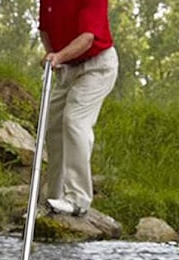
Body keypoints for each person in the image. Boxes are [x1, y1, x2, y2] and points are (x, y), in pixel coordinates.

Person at [39, 0, 118, 216]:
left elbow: (87, 38)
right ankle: (52, 200)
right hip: (67, 68)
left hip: (97, 66)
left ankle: (78, 199)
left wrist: (58, 56)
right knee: (53, 128)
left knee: (74, 121)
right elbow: (45, 30)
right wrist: (52, 54)